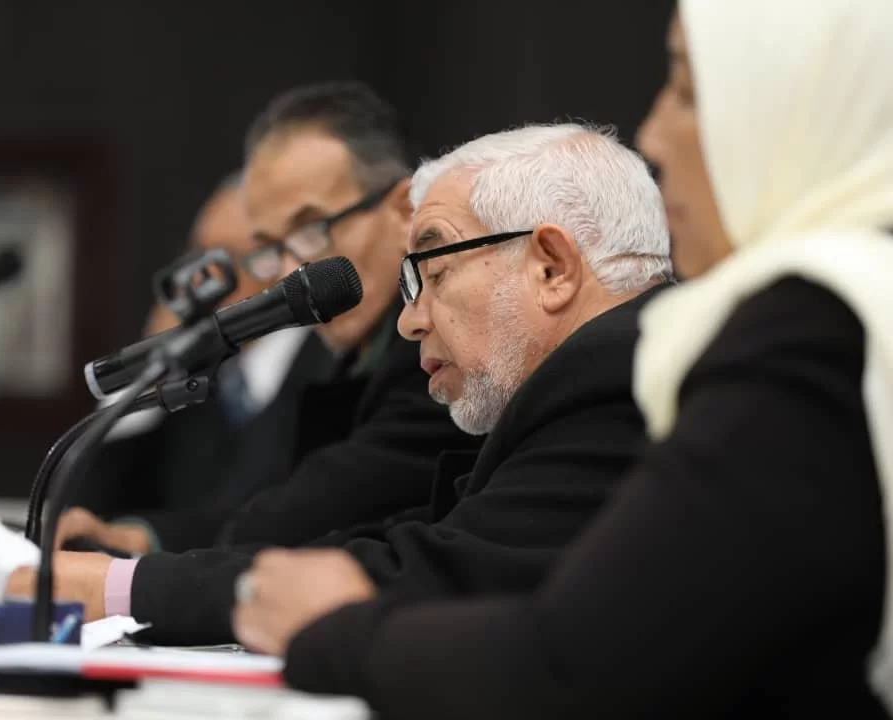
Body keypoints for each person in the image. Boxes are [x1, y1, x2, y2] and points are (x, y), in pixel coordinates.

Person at [234, 2, 893, 717]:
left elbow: (572, 664)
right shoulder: (835, 312)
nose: (653, 134)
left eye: (687, 90)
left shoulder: (806, 330)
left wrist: (334, 628)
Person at [9, 121, 672, 648]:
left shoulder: (622, 377)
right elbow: (406, 541)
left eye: (435, 273)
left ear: (552, 268)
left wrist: (122, 588)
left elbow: (433, 575)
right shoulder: (594, 378)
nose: (411, 320)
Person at [6, 82, 482, 624]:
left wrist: (126, 579)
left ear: (403, 211)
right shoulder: (338, 349)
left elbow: (307, 518)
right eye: (272, 249)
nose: (290, 272)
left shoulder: (442, 348)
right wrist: (139, 537)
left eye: (310, 231)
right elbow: (268, 500)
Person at [57, 171, 334, 554]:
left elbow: (263, 516)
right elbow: (87, 508)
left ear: (288, 261)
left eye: (230, 257)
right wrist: (152, 364)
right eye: (198, 254)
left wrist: (142, 536)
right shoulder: (200, 372)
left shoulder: (331, 367)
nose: (204, 279)